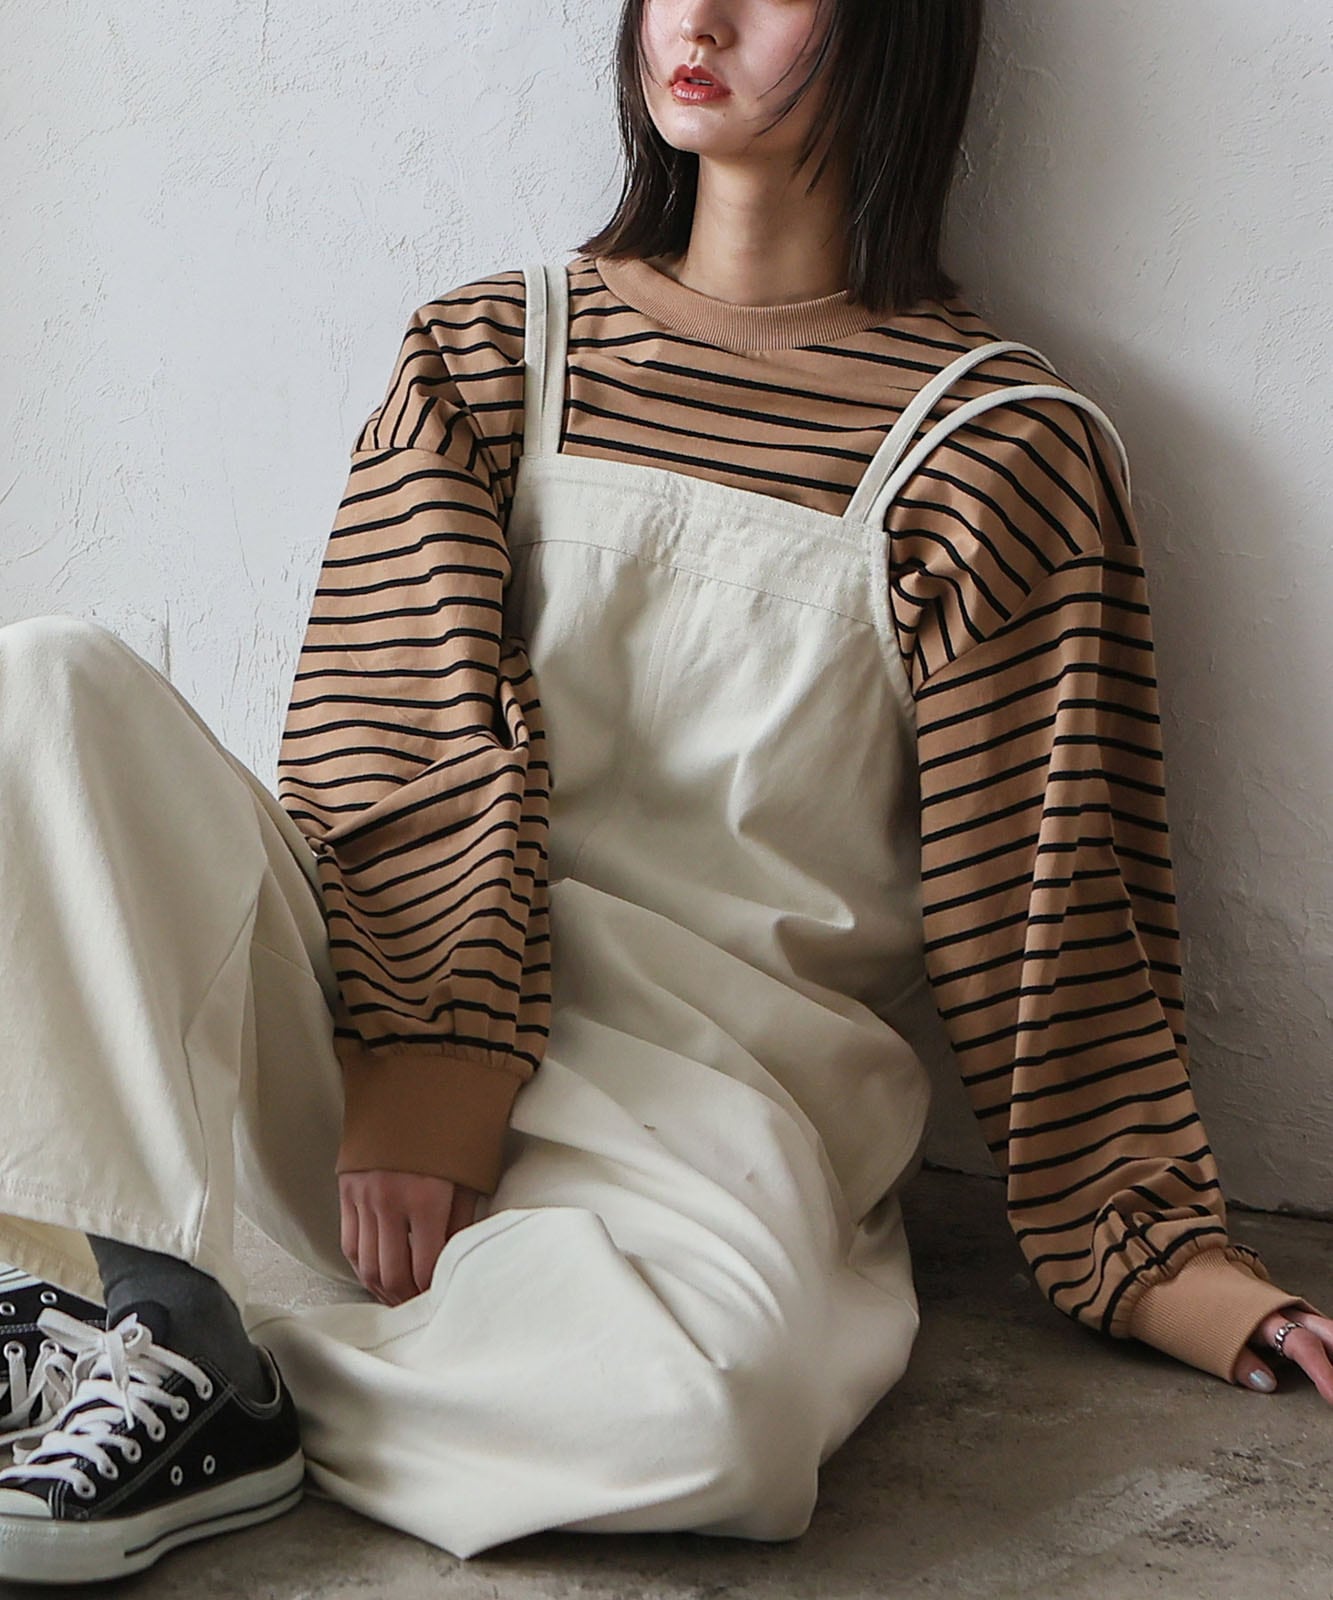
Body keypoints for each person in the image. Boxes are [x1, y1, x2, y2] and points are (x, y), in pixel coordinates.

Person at [0, 0, 1328, 1585]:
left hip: (698, 1118)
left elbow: (1043, 903)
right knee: (46, 681)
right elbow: (393, 732)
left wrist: (1162, 1261)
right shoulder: (487, 349)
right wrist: (421, 1082)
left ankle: (185, 1349)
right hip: (374, 1022)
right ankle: (170, 1323)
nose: (694, 20)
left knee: (711, 1428)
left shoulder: (998, 448)